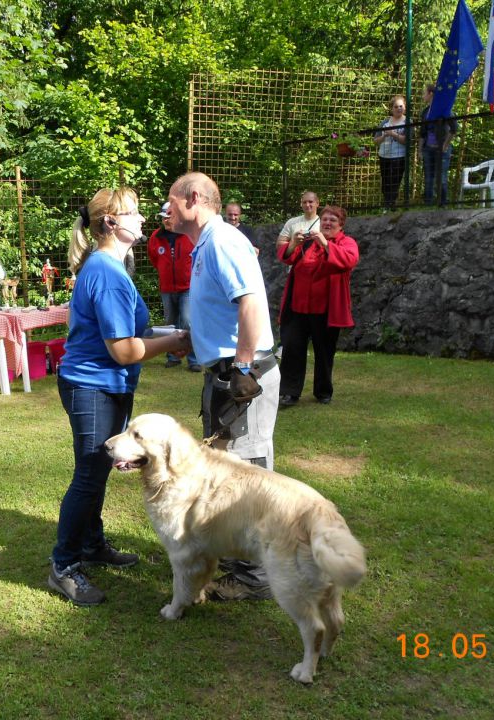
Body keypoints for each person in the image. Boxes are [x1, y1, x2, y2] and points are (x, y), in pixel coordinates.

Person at [49, 187, 191, 607]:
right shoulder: (107, 274)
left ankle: (92, 546)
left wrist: (165, 338)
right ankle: (64, 565)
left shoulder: (110, 267)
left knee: (100, 470)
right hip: (92, 385)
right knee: (89, 476)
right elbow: (123, 349)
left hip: (107, 385)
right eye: (133, 213)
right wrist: (175, 341)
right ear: (111, 222)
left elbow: (131, 335)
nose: (144, 219)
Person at [166, 172, 280, 601]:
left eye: (172, 202)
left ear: (193, 198)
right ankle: (238, 562)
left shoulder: (222, 241)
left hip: (242, 377)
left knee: (246, 474)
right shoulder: (205, 244)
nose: (167, 210)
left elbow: (249, 302)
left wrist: (243, 368)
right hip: (225, 373)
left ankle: (255, 577)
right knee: (225, 470)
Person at [276, 205, 359, 408]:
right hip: (298, 307)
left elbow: (349, 260)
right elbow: (285, 257)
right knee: (292, 348)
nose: (328, 223)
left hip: (325, 310)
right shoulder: (308, 243)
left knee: (324, 352)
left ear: (341, 225)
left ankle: (323, 391)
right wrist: (293, 244)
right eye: (325, 220)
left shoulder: (346, 242)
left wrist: (326, 244)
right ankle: (289, 392)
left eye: (333, 220)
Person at [147, 202, 200, 371]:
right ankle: (172, 357)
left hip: (187, 287)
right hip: (167, 287)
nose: (166, 221)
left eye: (169, 218)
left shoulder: (188, 235)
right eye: (164, 218)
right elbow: (154, 259)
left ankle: (194, 360)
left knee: (187, 321)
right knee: (170, 324)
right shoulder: (156, 236)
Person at [418, 84, 458, 206]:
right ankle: (428, 204)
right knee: (428, 178)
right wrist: (420, 150)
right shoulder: (425, 112)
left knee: (441, 178)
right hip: (428, 149)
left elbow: (454, 128)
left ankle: (442, 204)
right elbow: (422, 133)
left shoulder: (445, 110)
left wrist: (445, 145)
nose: (423, 96)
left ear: (431, 94)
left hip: (442, 150)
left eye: (424, 93)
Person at [374, 95, 408, 211]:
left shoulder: (407, 122)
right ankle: (387, 205)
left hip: (398, 156)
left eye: (401, 106)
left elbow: (406, 140)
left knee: (395, 182)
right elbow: (375, 141)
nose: (399, 108)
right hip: (384, 155)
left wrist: (393, 134)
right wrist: (384, 136)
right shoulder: (385, 122)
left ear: (405, 107)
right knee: (385, 181)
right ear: (391, 109)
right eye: (396, 106)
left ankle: (390, 205)